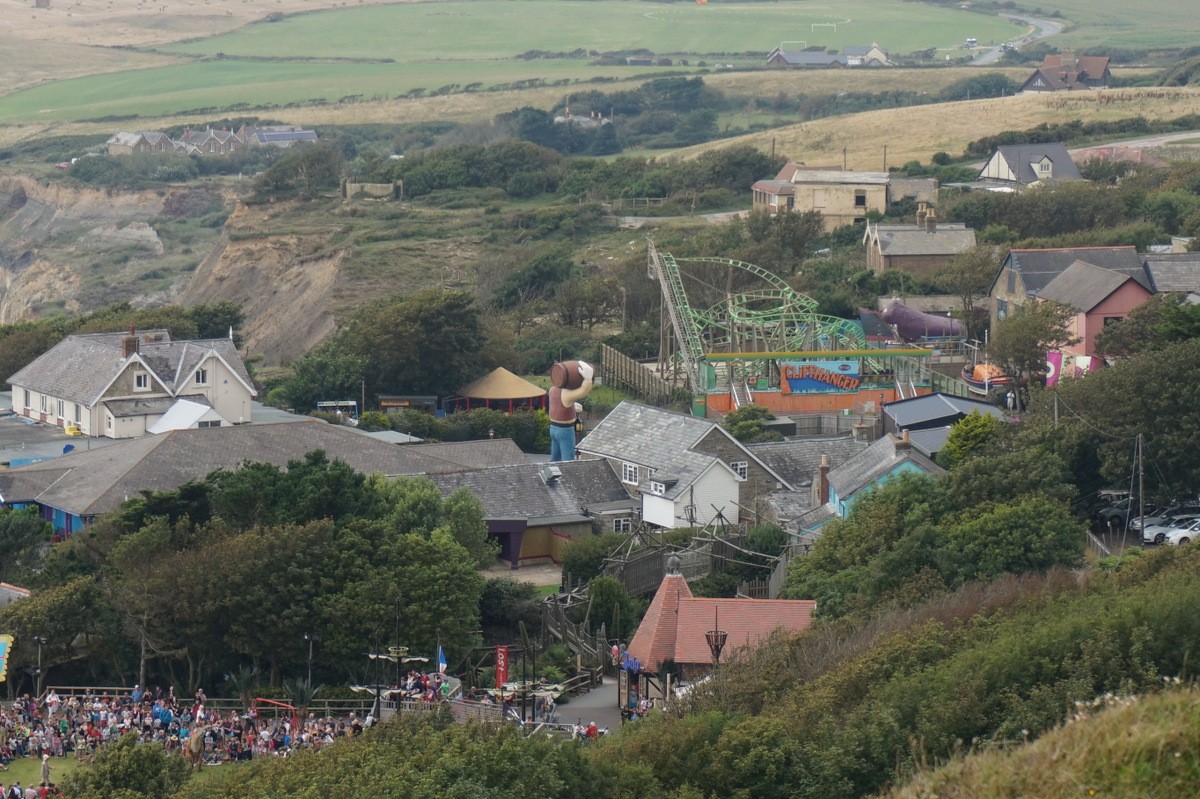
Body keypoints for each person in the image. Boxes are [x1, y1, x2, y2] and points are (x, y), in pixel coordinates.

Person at [548, 361, 594, 462]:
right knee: (568, 459)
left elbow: (564, 403)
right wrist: (587, 379)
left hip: (553, 428)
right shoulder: (566, 394)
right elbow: (583, 391)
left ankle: (552, 474)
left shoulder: (552, 390)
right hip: (565, 430)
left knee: (555, 458)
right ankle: (566, 476)